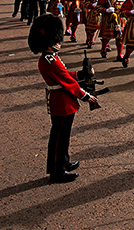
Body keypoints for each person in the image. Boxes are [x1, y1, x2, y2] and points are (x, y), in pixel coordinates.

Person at [31, 14, 100, 183]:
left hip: (63, 101)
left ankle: (63, 162)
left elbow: (67, 75)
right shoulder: (50, 61)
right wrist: (86, 96)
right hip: (61, 102)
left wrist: (82, 73)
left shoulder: (51, 58)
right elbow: (68, 82)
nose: (59, 42)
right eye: (57, 39)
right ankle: (57, 172)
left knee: (64, 136)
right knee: (59, 138)